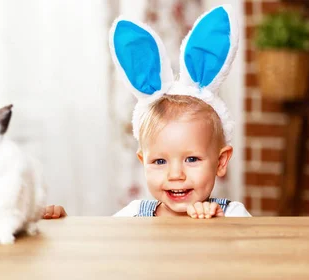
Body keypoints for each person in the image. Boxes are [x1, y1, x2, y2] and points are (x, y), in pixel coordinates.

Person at [43, 4, 251, 219]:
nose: (176, 175)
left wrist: (221, 225)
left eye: (191, 159)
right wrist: (65, 225)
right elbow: (100, 244)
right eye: (160, 161)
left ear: (221, 161)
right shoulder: (133, 216)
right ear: (143, 161)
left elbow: (257, 247)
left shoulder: (232, 214)